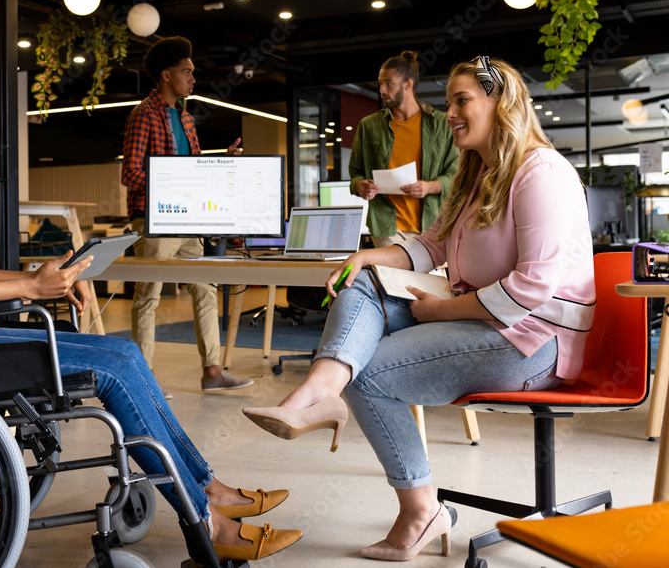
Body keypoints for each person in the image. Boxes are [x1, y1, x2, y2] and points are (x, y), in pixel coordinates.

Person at [0, 95, 301, 563]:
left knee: (126, 352)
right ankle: (208, 521)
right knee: (114, 371)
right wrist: (30, 286)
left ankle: (209, 489)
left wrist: (46, 281)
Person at [243, 57, 595, 561]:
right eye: (448, 100)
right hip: (480, 315)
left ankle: (419, 510)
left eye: (461, 100)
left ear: (501, 102)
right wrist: (365, 255)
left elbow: (532, 290)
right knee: (361, 282)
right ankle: (321, 388)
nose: (448, 112)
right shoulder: (477, 174)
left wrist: (443, 312)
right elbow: (430, 247)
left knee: (369, 373)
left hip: (532, 341)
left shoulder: (541, 172)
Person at [121, 36, 253, 392]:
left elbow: (193, 170)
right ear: (166, 75)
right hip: (154, 220)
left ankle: (212, 373)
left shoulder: (185, 118)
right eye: (187, 72)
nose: (193, 79)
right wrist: (171, 181)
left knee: (204, 289)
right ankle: (143, 380)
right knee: (148, 297)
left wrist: (219, 161)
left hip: (185, 220)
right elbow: (130, 175)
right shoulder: (143, 115)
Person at [349, 51, 459, 249]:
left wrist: (429, 186)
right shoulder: (369, 126)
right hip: (386, 226)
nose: (382, 89)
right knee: (395, 280)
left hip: (433, 224)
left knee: (432, 281)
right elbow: (356, 173)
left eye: (388, 83)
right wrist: (360, 186)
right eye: (380, 83)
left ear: (408, 84)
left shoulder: (441, 124)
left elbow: (456, 174)